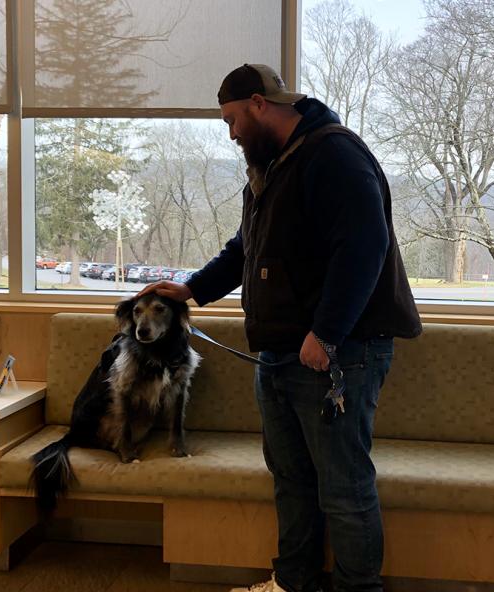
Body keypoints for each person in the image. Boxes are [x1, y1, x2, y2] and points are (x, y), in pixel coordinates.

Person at [139, 63, 421, 592]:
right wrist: (193, 289)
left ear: (259, 103)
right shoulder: (272, 169)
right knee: (292, 483)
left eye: (232, 120)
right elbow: (247, 246)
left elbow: (364, 250)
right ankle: (293, 583)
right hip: (279, 355)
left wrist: (328, 333)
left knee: (343, 487)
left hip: (338, 354)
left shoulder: (334, 154)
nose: (232, 134)